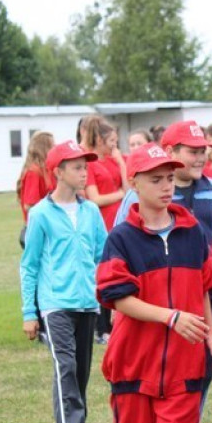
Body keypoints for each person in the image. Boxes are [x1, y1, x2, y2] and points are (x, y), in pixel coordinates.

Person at [97, 142, 212, 423]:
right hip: (132, 366)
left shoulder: (193, 231)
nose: (167, 187)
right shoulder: (122, 237)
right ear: (134, 183)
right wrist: (170, 317)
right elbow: (116, 297)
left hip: (185, 367)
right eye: (155, 179)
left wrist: (211, 335)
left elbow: (205, 285)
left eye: (170, 178)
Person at [20, 141, 107, 423]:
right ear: (57, 172)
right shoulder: (41, 214)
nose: (84, 173)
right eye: (77, 167)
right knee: (65, 368)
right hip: (55, 304)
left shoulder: (91, 212)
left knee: (80, 374)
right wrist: (30, 312)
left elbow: (103, 255)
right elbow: (29, 266)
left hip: (87, 304)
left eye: (85, 167)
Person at [79, 116, 126, 345]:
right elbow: (95, 198)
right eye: (112, 142)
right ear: (99, 140)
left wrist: (120, 162)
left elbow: (129, 189)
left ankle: (110, 325)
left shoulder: (112, 161)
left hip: (118, 223)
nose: (114, 146)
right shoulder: (92, 165)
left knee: (117, 273)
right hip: (103, 224)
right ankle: (101, 328)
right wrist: (119, 194)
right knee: (101, 274)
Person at [16, 130, 55, 227]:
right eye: (53, 146)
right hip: (39, 226)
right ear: (44, 148)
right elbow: (29, 205)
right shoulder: (33, 172)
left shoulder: (46, 170)